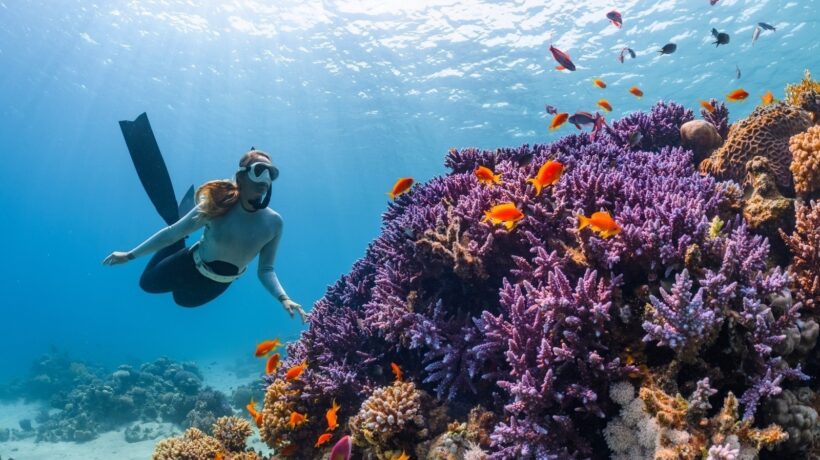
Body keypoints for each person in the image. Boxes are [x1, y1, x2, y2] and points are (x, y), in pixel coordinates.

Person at [103, 114, 305, 320]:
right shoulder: (217, 204)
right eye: (259, 170)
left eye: (271, 173)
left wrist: (283, 298)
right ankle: (184, 230)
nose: (265, 178)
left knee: (182, 301)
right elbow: (171, 234)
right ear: (241, 177)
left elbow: (266, 269)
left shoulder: (274, 223)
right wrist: (129, 255)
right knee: (146, 284)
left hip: (221, 282)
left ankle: (184, 230)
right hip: (189, 264)